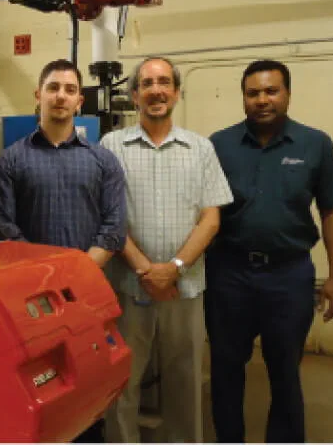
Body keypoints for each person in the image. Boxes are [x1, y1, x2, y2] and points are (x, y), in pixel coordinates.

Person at [206, 59, 333, 443]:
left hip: (289, 276)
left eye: (271, 91)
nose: (262, 100)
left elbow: (332, 211)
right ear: (243, 98)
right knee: (225, 368)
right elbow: (203, 213)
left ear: (287, 93)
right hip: (228, 275)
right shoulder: (218, 145)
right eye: (253, 93)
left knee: (285, 370)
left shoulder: (315, 144)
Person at [0, 58, 127, 442]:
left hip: (88, 296)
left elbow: (114, 229)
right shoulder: (11, 161)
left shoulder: (103, 161)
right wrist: (46, 283)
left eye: (69, 90)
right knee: (43, 387)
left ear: (80, 100)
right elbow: (4, 231)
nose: (60, 97)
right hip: (31, 304)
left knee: (90, 382)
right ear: (38, 95)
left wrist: (75, 278)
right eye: (53, 88)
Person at [101, 57, 232, 443]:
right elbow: (110, 219)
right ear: (134, 95)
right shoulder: (112, 146)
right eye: (146, 83)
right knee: (121, 382)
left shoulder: (201, 149)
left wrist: (173, 268)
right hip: (127, 286)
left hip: (185, 287)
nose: (155, 90)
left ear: (176, 91)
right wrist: (146, 271)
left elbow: (211, 218)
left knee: (184, 381)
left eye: (163, 82)